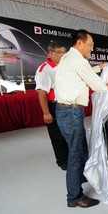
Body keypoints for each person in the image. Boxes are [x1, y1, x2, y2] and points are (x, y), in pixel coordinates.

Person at [55, 29, 108, 209]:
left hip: (65, 111)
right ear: (80, 43)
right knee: (75, 154)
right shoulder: (78, 60)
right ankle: (74, 197)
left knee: (79, 150)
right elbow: (98, 85)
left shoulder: (68, 58)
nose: (91, 49)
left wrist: (98, 68)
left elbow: (81, 74)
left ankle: (83, 176)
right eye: (90, 45)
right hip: (71, 112)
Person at [35, 41, 69, 170]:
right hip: (53, 106)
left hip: (66, 105)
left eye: (64, 52)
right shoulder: (44, 69)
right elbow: (42, 93)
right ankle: (62, 161)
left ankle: (71, 157)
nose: (62, 55)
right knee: (57, 136)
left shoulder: (63, 66)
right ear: (50, 53)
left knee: (67, 133)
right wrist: (46, 113)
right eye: (59, 52)